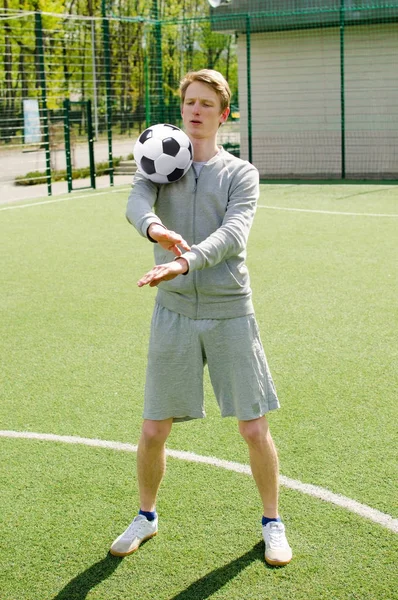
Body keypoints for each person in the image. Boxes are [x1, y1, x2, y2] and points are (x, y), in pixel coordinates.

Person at [110, 69, 292, 566]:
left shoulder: (240, 173)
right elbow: (135, 203)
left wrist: (184, 260)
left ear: (223, 114)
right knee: (152, 429)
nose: (195, 111)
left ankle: (272, 522)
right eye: (189, 102)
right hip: (172, 312)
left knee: (254, 429)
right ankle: (146, 517)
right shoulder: (158, 161)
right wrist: (154, 229)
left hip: (229, 310)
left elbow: (234, 233)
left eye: (206, 104)